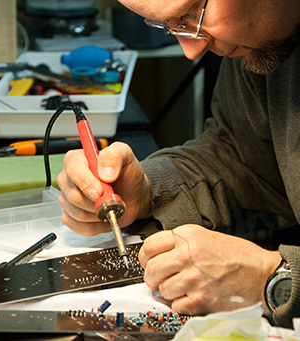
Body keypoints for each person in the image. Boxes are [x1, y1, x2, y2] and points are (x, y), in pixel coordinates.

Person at [57, 0, 300, 329]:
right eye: (167, 24)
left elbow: (272, 276)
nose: (191, 50)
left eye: (191, 14)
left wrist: (273, 277)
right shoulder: (259, 40)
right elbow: (246, 160)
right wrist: (149, 191)